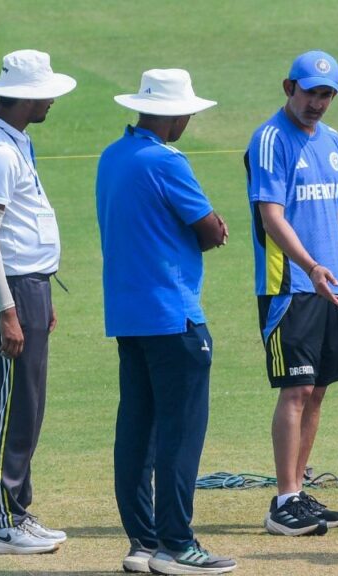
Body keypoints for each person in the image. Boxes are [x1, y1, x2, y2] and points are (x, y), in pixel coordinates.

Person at [96, 69, 236, 574]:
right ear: (174, 113)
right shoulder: (166, 161)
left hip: (129, 317)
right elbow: (209, 231)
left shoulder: (113, 156)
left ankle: (143, 542)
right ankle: (177, 545)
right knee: (180, 435)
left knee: (137, 429)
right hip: (174, 318)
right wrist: (212, 227)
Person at [245, 50, 338, 537]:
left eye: (326, 95)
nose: (318, 103)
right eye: (310, 92)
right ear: (289, 88)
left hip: (329, 291)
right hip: (289, 286)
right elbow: (271, 215)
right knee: (296, 388)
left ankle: (296, 491)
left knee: (319, 389)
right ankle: (283, 500)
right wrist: (311, 267)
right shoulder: (269, 140)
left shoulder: (334, 142)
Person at [0, 49, 76, 555]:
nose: (52, 100)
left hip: (28, 285)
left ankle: (19, 512)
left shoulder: (15, 142)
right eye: (45, 93)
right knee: (12, 403)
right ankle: (2, 522)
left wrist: (40, 292)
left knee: (28, 403)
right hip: (11, 287)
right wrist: (10, 310)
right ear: (24, 97)